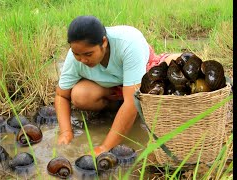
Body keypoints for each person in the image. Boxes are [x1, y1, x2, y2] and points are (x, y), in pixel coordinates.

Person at [55, 15, 181, 156]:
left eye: (88, 54)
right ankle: (116, 108)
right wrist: (66, 132)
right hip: (113, 88)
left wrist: (104, 147)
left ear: (104, 42)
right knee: (80, 96)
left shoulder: (128, 42)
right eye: (77, 54)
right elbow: (62, 95)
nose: (82, 60)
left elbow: (132, 103)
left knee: (180, 64)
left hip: (144, 77)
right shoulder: (74, 59)